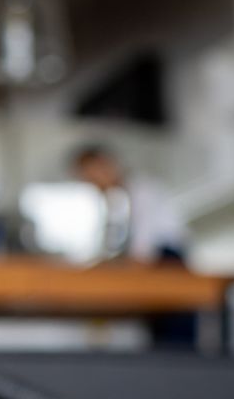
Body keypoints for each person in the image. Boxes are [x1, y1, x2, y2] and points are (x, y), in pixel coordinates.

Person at [70, 143, 197, 348]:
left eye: (92, 178)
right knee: (159, 336)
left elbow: (143, 254)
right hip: (158, 266)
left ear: (104, 165)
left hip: (169, 265)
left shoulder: (143, 191)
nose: (94, 185)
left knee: (175, 339)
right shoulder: (121, 200)